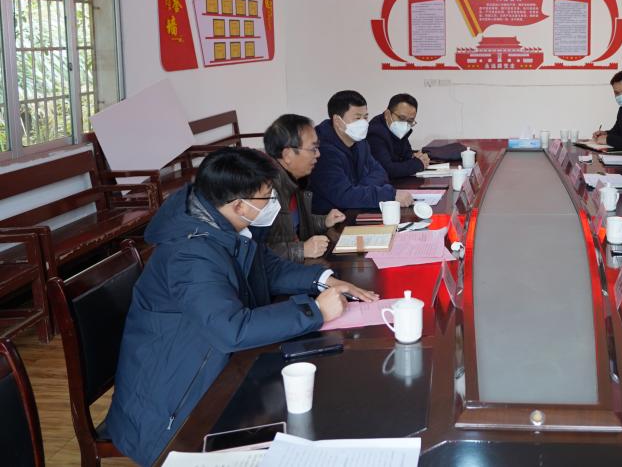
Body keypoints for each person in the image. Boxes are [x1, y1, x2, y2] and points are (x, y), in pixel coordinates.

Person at [107, 147, 378, 466]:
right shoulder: (189, 254)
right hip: (174, 405)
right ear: (238, 204)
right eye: (267, 197)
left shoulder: (222, 222)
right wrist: (314, 311)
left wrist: (324, 279)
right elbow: (230, 330)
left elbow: (268, 267)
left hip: (218, 367)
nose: (274, 203)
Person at [308, 90, 413, 211]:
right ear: (337, 121)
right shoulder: (322, 150)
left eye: (365, 117)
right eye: (357, 118)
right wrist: (388, 195)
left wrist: (357, 189)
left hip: (357, 207)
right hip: (330, 217)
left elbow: (380, 173)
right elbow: (343, 196)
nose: (363, 123)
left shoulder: (360, 141)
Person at [262, 114, 346, 262]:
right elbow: (256, 251)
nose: (318, 154)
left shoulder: (294, 180)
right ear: (287, 155)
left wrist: (324, 221)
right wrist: (301, 250)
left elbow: (295, 223)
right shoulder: (264, 192)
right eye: (313, 149)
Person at [367, 93, 431, 179]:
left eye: (410, 121)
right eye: (401, 118)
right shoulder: (375, 133)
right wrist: (418, 164)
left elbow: (405, 154)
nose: (405, 124)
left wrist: (414, 156)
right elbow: (386, 169)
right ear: (387, 114)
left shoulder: (398, 129)